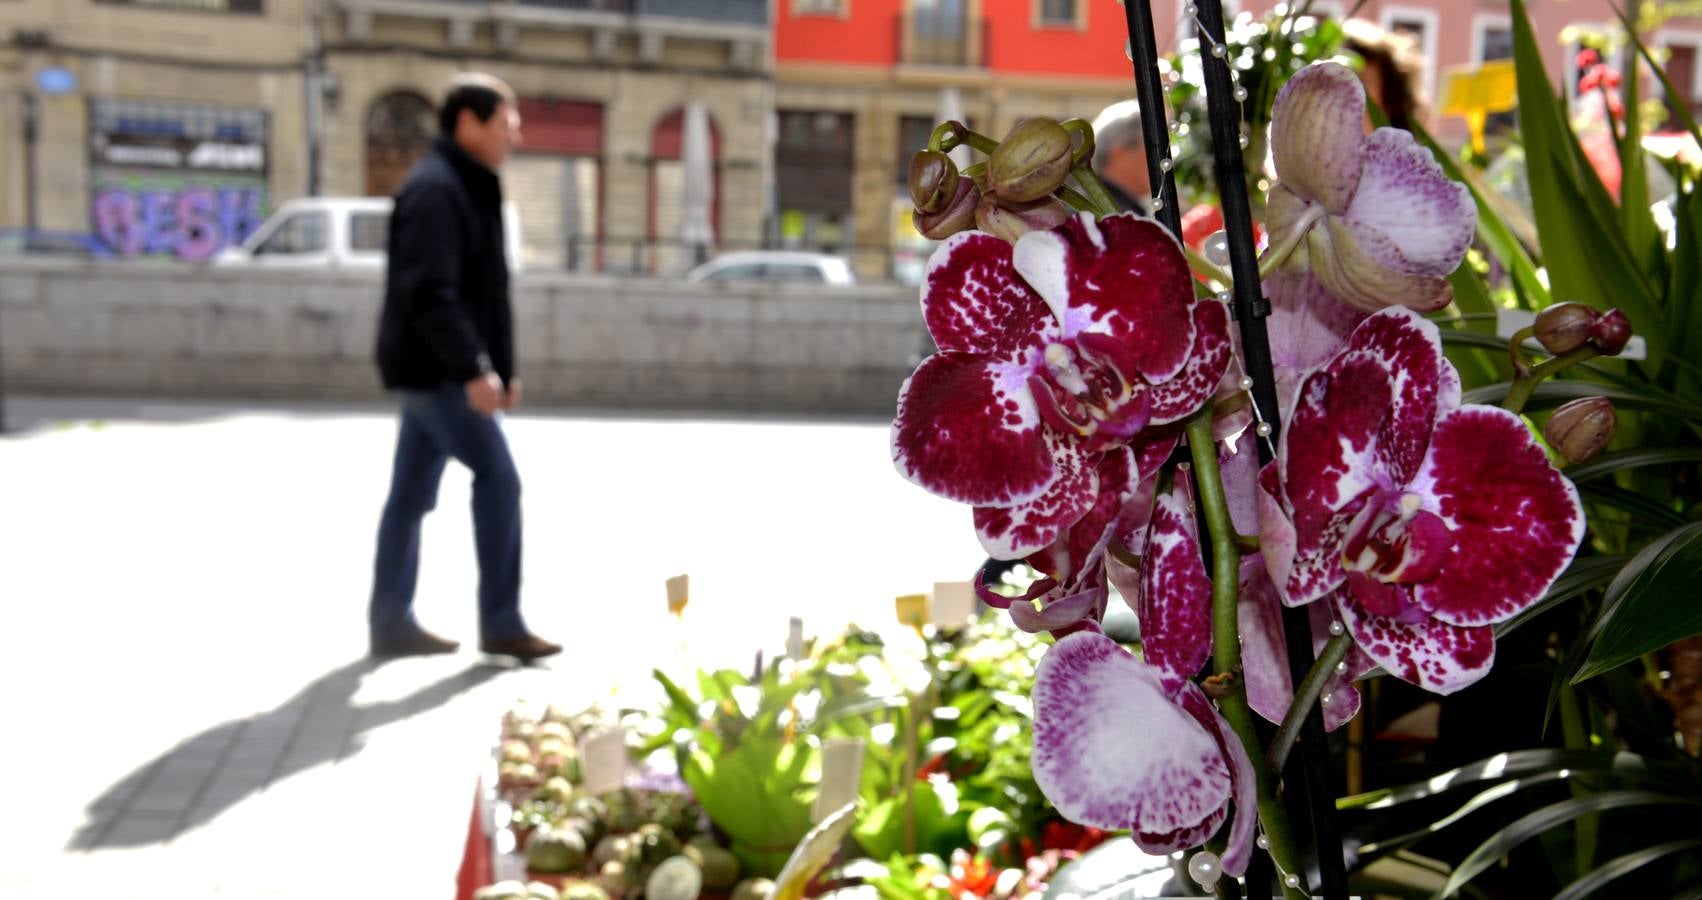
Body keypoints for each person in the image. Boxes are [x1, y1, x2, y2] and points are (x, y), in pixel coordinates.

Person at [368, 73, 561, 663]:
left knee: (409, 497)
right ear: (468, 123)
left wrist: (503, 366)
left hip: (439, 369)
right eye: (507, 122)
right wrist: (478, 370)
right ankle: (501, 622)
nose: (516, 135)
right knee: (499, 479)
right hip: (440, 372)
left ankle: (391, 620)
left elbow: (485, 291)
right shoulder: (437, 189)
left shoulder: (465, 184)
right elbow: (432, 294)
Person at [1090, 100, 1151, 215]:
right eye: (1152, 149)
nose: (1161, 158)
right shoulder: (1102, 213)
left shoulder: (1116, 207)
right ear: (1119, 152)